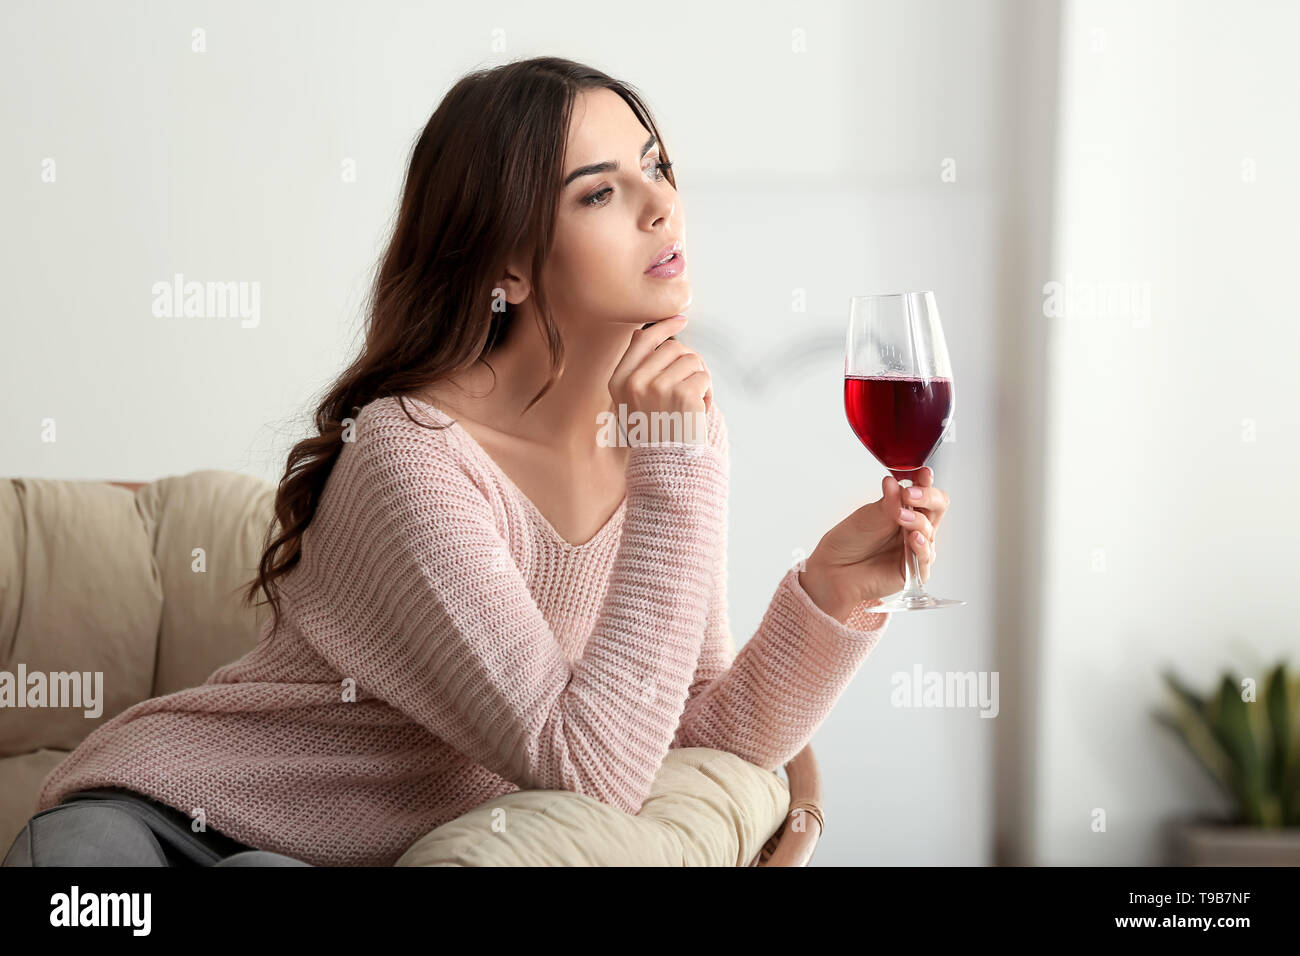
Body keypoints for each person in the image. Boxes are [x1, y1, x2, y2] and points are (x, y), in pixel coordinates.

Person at [5, 56, 949, 868]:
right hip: (173, 824)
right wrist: (679, 467)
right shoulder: (412, 454)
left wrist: (830, 596)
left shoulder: (669, 438)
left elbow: (690, 730)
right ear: (506, 268)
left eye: (656, 166)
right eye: (601, 191)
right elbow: (590, 766)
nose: (663, 203)